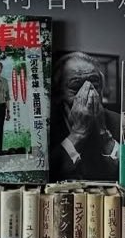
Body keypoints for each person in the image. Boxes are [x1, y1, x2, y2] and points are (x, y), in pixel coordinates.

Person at [50, 52, 120, 181]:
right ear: (59, 92)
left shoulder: (122, 121)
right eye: (76, 86)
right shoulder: (45, 126)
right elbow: (49, 173)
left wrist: (104, 134)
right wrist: (78, 133)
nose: (88, 91)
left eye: (95, 84)